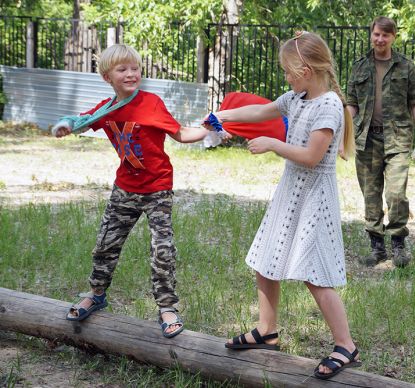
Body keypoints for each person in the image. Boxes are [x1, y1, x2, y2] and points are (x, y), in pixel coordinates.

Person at [205, 31, 360, 380]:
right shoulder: (297, 96)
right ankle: (267, 330)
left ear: (306, 68)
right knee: (265, 259)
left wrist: (274, 145)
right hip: (290, 193)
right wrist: (223, 115)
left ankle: (346, 345)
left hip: (314, 199)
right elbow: (262, 110)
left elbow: (311, 156)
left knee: (314, 274)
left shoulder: (329, 105)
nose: (286, 77)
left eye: (289, 70)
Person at [52, 44, 211, 338]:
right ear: (107, 77)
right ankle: (97, 294)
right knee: (105, 245)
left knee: (162, 250)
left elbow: (182, 134)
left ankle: (167, 307)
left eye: (135, 68)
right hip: (124, 188)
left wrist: (211, 127)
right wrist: (65, 126)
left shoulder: (151, 103)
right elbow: (80, 121)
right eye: (122, 69)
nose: (131, 74)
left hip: (157, 189)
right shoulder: (108, 108)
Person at [346, 16, 415, 268]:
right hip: (366, 139)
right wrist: (343, 139)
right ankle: (377, 247)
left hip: (398, 138)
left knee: (396, 194)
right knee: (370, 194)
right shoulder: (359, 66)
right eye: (376, 34)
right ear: (371, 35)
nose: (380, 39)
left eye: (385, 35)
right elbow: (351, 105)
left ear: (393, 36)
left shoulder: (406, 66)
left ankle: (398, 245)